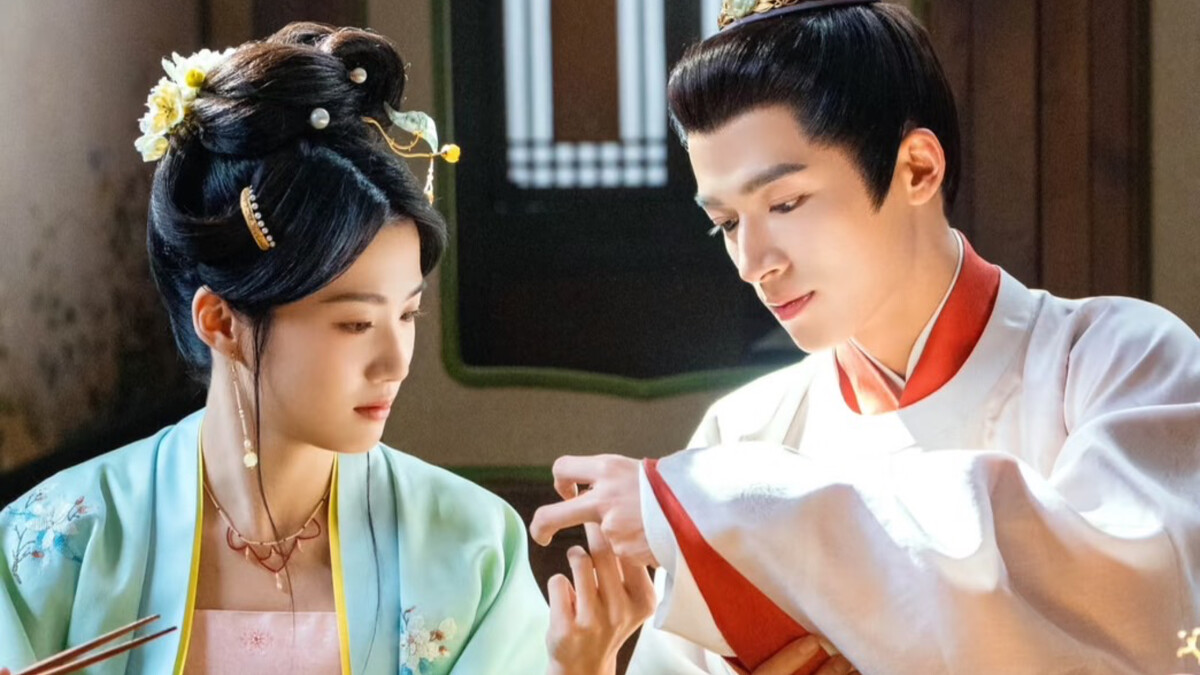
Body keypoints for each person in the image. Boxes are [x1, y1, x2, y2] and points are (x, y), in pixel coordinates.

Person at [530, 1, 1200, 673]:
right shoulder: (741, 435)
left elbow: (1139, 616)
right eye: (727, 223)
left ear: (917, 169)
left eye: (785, 203)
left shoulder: (1123, 363)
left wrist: (730, 507)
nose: (753, 262)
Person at [0, 23, 548, 675]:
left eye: (407, 315)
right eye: (355, 324)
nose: (396, 362)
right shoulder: (57, 541)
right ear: (221, 322)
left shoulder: (471, 546)